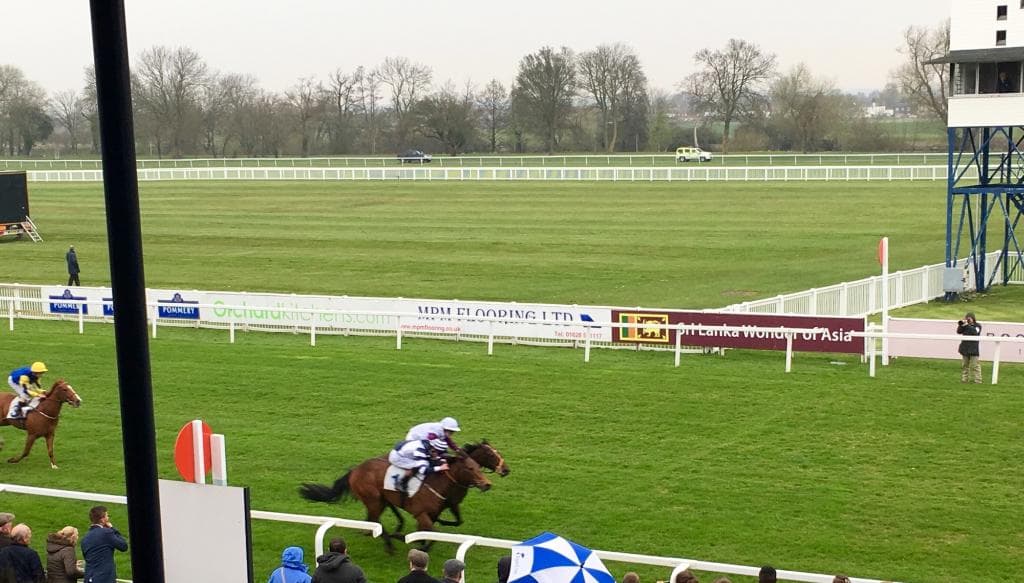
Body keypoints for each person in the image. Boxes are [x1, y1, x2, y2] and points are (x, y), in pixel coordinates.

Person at [79, 506, 127, 583]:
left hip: (89, 578)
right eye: (107, 516)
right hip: (104, 578)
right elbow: (124, 546)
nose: (108, 518)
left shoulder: (85, 538)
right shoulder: (106, 533)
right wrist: (112, 528)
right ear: (102, 519)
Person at [956, 312, 983, 383]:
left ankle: (978, 380)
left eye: (969, 318)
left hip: (973, 349)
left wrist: (967, 325)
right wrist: (961, 325)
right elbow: (958, 331)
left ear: (973, 318)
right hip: (965, 348)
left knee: (975, 366)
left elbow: (975, 332)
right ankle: (964, 380)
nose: (968, 320)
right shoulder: (965, 325)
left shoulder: (978, 326)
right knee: (965, 365)